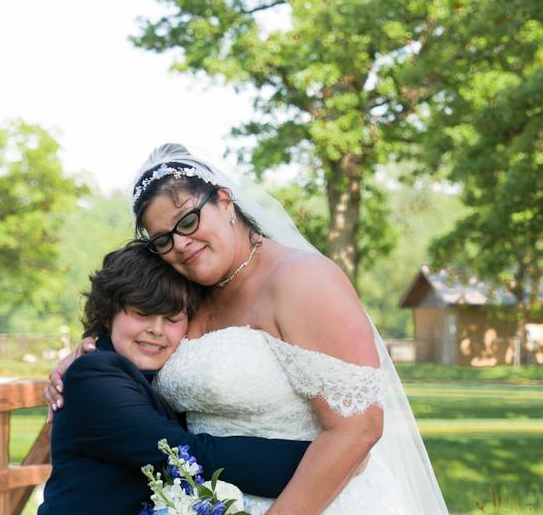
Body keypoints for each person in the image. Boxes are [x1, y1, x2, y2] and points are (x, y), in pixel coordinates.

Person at [46, 144, 448, 514]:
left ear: (224, 201)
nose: (181, 244)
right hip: (205, 498)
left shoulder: (302, 279)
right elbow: (141, 329)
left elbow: (357, 429)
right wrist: (89, 353)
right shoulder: (193, 291)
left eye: (188, 220)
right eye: (163, 240)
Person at [39, 241, 310, 515]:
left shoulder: (156, 375)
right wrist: (322, 458)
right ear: (109, 313)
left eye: (172, 318)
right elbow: (186, 455)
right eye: (142, 313)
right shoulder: (93, 378)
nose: (157, 330)